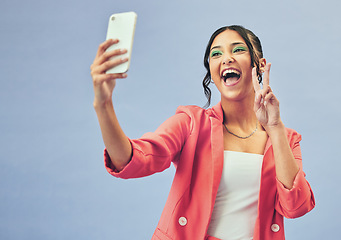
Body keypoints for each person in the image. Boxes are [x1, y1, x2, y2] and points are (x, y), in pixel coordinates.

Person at [90, 25, 315, 240]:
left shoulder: (286, 139)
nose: (226, 58)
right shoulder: (191, 124)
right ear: (212, 71)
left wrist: (275, 128)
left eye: (238, 49)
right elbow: (132, 159)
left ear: (260, 65)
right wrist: (104, 105)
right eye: (216, 54)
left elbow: (296, 206)